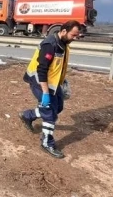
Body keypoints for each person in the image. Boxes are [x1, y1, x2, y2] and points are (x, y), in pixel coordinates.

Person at [19, 21, 82, 159]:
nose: (75, 38)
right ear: (64, 31)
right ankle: (47, 143)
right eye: (74, 35)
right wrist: (45, 93)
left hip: (53, 83)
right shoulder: (50, 45)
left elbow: (57, 65)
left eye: (77, 36)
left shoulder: (63, 43)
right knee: (50, 113)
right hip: (39, 82)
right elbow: (42, 71)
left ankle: (27, 115)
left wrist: (62, 81)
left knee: (58, 107)